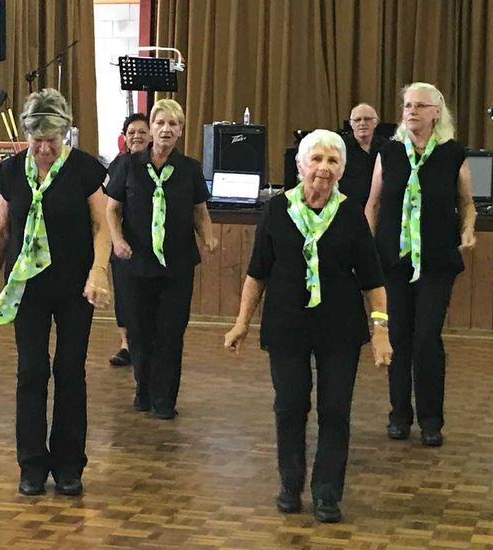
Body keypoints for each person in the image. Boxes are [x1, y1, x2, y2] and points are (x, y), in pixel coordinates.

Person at [224, 129, 392, 523]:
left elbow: (372, 279)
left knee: (335, 410)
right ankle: (290, 483)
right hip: (287, 325)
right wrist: (241, 323)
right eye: (316, 159)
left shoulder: (350, 214)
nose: (323, 168)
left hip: (340, 328)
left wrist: (381, 330)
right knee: (290, 406)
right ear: (299, 166)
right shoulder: (276, 211)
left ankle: (327, 492)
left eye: (332, 161)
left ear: (341, 170)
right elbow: (256, 274)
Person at [0, 88, 110, 497]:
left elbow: (102, 227)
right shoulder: (11, 172)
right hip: (26, 288)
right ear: (26, 137)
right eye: (37, 140)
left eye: (53, 139)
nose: (45, 148)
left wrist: (99, 273)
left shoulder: (85, 170)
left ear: (65, 134)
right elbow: (1, 232)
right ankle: (31, 465)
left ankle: (69, 465)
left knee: (70, 371)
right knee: (31, 371)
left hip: (74, 288)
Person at [365, 82, 476, 447]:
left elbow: (467, 203)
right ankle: (399, 414)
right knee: (397, 337)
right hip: (393, 262)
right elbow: (374, 205)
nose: (410, 111)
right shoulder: (390, 152)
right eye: (407, 105)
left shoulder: (452, 154)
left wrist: (469, 229)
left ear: (436, 112)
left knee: (427, 338)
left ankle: (431, 419)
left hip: (436, 261)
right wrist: (363, 251)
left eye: (419, 106)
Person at [105, 99, 218, 420]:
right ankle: (143, 389)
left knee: (170, 332)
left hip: (176, 265)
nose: (166, 129)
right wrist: (118, 240)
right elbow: (112, 209)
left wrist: (207, 236)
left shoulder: (190, 169)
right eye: (161, 123)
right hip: (135, 263)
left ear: (181, 131)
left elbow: (200, 212)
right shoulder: (128, 166)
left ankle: (165, 398)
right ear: (151, 129)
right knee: (139, 332)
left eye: (173, 124)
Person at [108, 112, 151, 367]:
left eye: (142, 132)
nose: (136, 136)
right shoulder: (118, 165)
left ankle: (148, 344)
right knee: (124, 296)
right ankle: (126, 345)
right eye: (131, 132)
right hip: (121, 241)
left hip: (149, 242)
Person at [340, 103, 387, 207]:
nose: (362, 123)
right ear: (351, 124)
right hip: (348, 207)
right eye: (357, 120)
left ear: (376, 122)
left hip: (380, 206)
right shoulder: (340, 147)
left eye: (367, 119)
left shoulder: (386, 147)